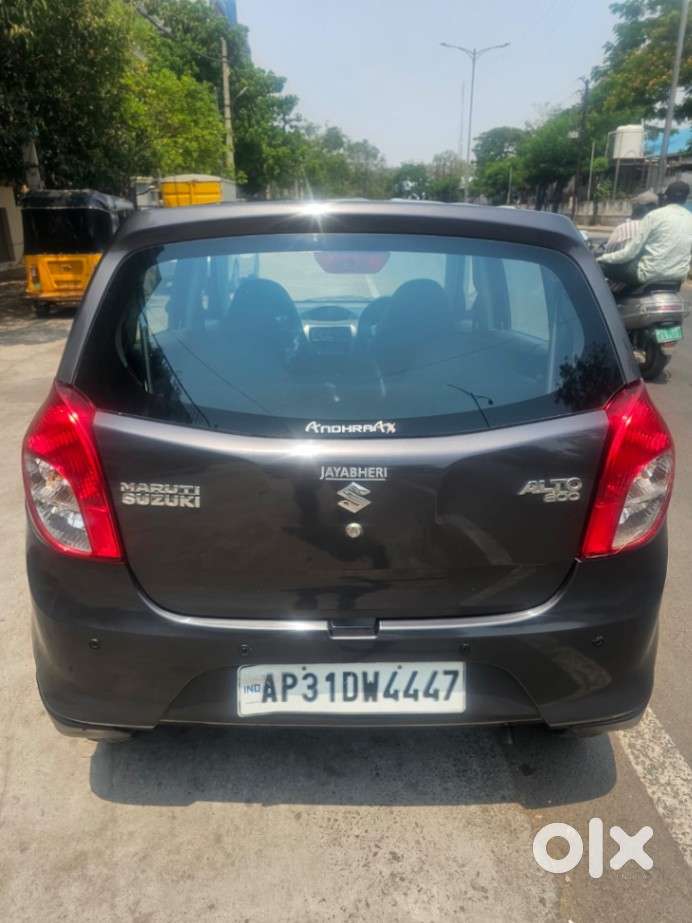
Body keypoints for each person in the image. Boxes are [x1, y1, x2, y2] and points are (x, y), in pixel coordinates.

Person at [598, 180, 692, 287]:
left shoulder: (654, 216)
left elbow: (629, 253)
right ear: (685, 200)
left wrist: (601, 258)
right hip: (677, 279)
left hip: (647, 275)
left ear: (666, 197)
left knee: (599, 266)